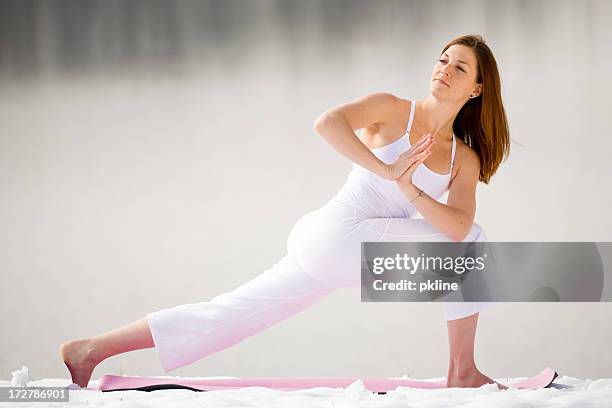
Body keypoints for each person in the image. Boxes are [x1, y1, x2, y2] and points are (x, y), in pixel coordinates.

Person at [61, 34, 510, 389]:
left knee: (228, 315)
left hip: (332, 250)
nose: (444, 70)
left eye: (460, 67)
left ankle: (89, 350)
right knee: (473, 250)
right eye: (442, 59)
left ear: (477, 88)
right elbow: (327, 122)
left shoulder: (462, 160)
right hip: (336, 235)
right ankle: (463, 372)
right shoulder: (394, 110)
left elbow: (457, 225)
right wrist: (388, 168)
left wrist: (409, 190)